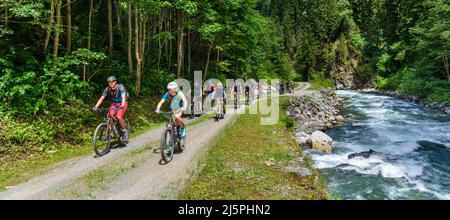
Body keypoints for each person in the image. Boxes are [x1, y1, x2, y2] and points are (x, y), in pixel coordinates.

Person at [93, 76, 129, 141]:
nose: (111, 83)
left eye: (112, 82)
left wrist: (122, 105)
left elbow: (123, 97)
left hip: (122, 103)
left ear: (115, 82)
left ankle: (124, 131)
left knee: (118, 116)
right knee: (110, 116)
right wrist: (96, 106)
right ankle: (111, 132)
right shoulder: (107, 89)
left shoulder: (120, 87)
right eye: (109, 82)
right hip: (114, 104)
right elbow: (102, 98)